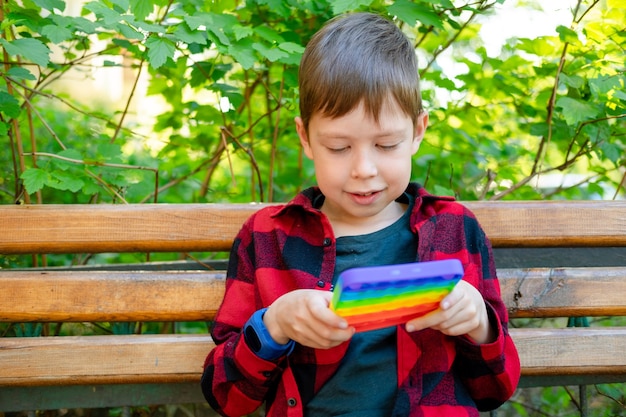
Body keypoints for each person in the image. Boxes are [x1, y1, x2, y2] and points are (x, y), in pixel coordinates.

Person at [201, 12, 520, 417]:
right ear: (306, 138)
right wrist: (274, 325)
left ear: (418, 131)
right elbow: (226, 396)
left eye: (386, 145)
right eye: (338, 147)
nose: (363, 169)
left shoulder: (454, 230)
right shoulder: (268, 237)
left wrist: (480, 323)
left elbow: (498, 388)